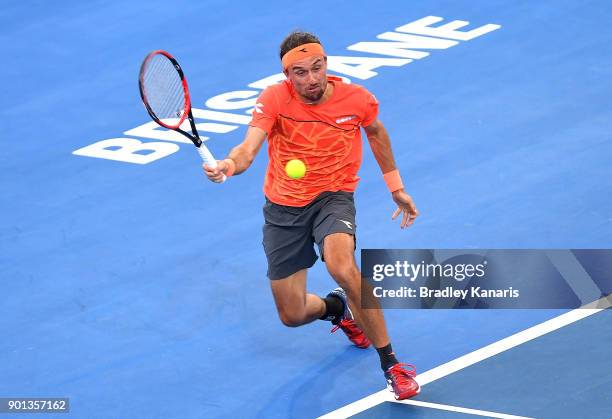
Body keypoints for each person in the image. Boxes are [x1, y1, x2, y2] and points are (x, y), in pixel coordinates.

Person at [203, 31, 420, 400]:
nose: (311, 80)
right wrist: (228, 165)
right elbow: (248, 148)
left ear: (326, 64)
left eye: (317, 68)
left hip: (333, 197)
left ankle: (393, 365)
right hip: (284, 208)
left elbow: (377, 132)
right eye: (300, 73)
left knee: (342, 266)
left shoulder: (357, 99)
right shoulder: (273, 99)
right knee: (292, 314)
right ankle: (336, 308)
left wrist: (395, 187)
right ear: (288, 76)